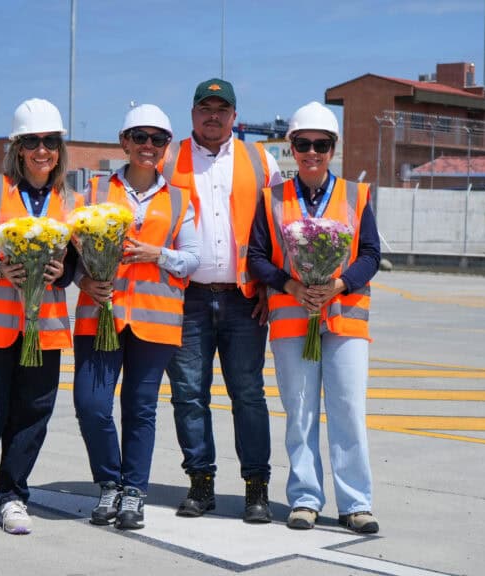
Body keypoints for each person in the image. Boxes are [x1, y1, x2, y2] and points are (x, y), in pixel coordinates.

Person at [247, 101, 381, 534]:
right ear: (291, 147)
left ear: (333, 148)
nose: (311, 152)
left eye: (320, 144)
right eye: (302, 144)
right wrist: (292, 286)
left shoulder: (356, 196)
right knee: (300, 411)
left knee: (347, 408)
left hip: (345, 320)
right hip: (292, 319)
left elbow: (371, 254)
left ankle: (355, 503)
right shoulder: (272, 199)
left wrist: (339, 284)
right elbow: (256, 258)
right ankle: (304, 498)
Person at [0, 98, 79, 535]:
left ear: (59, 149)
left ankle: (12, 496)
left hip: (42, 331)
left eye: (50, 141)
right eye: (33, 142)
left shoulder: (70, 200)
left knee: (31, 414)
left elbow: (75, 264)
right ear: (18, 147)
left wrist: (64, 274)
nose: (42, 150)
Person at [73, 104, 200, 530]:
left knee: (140, 408)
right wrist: (83, 281)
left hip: (156, 318)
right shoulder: (92, 192)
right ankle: (109, 482)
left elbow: (193, 259)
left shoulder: (180, 198)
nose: (149, 146)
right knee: (91, 405)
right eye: (140, 137)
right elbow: (69, 252)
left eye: (158, 139)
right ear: (124, 142)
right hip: (100, 314)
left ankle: (133, 493)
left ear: (167, 147)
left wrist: (156, 254)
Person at [162, 78, 282, 523]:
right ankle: (201, 484)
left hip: (244, 299)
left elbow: (280, 230)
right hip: (185, 298)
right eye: (204, 108)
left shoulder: (260, 159)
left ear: (235, 115)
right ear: (192, 113)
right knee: (188, 395)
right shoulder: (169, 158)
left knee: (248, 394)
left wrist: (271, 288)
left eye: (221, 108)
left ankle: (256, 489)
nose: (212, 116)